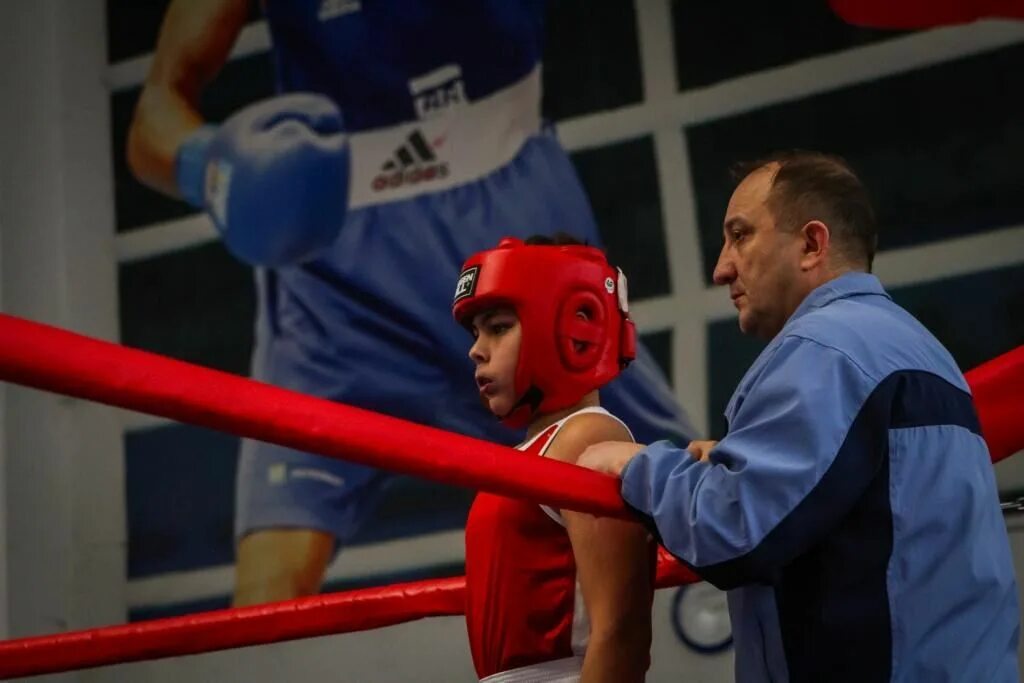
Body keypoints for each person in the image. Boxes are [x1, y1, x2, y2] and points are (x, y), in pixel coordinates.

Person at [126, 0, 696, 606]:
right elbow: (150, 125)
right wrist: (213, 169)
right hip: (337, 286)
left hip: (514, 240)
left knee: (693, 511)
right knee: (268, 594)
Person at [579, 151, 1020, 681]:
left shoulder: (826, 349)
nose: (721, 268)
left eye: (739, 235)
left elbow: (734, 529)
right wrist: (722, 465)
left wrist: (636, 465)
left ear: (812, 244)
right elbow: (876, 515)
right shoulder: (917, 349)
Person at [453, 235, 655, 683]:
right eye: (476, 332)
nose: (476, 349)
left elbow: (620, 632)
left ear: (575, 323)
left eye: (499, 327)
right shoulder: (537, 450)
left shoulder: (586, 436)